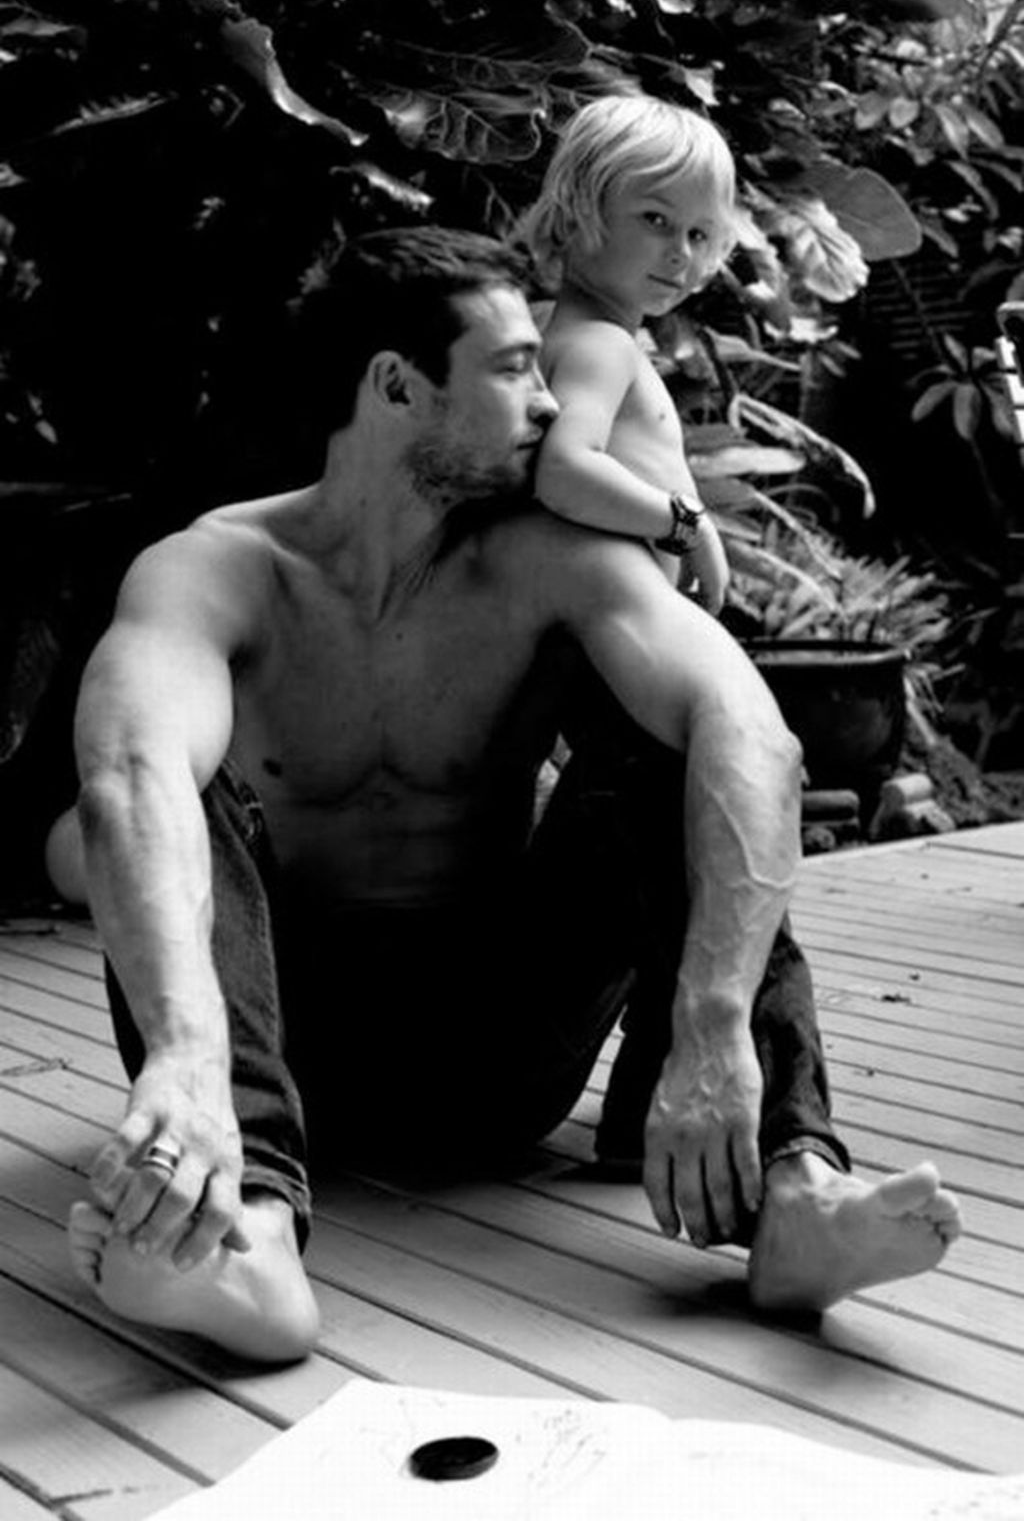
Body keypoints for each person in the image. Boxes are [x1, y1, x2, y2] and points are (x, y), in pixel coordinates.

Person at [62, 225, 960, 1364]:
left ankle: (795, 1192)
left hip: (495, 1050)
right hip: (279, 1051)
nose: (549, 402)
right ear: (397, 386)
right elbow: (129, 780)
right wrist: (187, 1058)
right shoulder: (214, 570)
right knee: (173, 790)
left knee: (677, 753)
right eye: (514, 367)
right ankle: (248, 1238)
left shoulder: (552, 561)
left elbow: (751, 735)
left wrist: (711, 1026)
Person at [519, 93, 732, 613]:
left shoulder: (556, 331)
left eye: (699, 233)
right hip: (607, 621)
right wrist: (688, 525)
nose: (681, 252)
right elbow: (563, 471)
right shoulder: (603, 345)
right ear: (572, 219)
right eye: (656, 219)